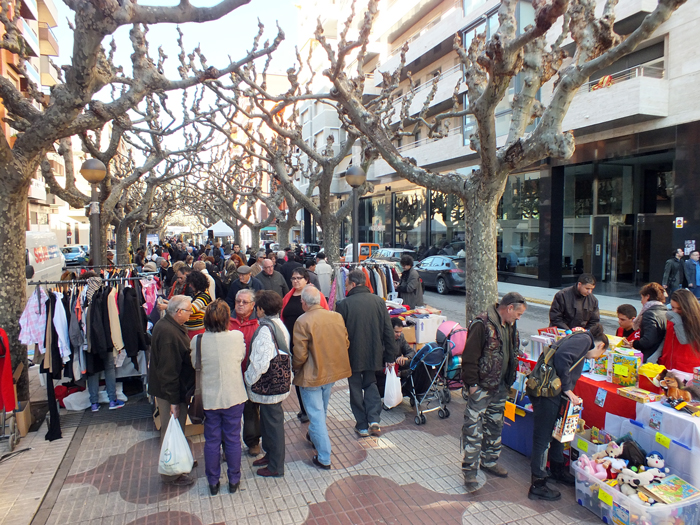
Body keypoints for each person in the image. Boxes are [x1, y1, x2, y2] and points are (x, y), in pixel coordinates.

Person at [528, 327, 609, 501]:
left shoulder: (581, 338)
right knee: (543, 437)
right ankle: (538, 484)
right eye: (600, 355)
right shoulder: (585, 340)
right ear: (601, 345)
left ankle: (557, 470)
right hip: (548, 392)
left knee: (559, 432)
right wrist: (568, 389)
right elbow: (562, 358)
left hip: (553, 391)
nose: (596, 358)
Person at [460, 292, 527, 491]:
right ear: (509, 309)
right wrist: (472, 385)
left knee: (495, 425)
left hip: (501, 386)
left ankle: (489, 461)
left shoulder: (510, 325)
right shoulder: (481, 324)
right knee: (473, 429)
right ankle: (469, 472)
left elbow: (510, 350)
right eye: (519, 314)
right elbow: (469, 357)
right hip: (481, 387)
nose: (519, 318)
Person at [192, 300, 247, 496]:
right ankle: (234, 479)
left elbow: (194, 364)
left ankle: (213, 482)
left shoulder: (197, 341)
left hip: (209, 398)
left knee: (212, 440)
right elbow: (241, 357)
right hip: (234, 395)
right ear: (226, 319)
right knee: (233, 439)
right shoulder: (237, 336)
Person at [293, 286, 351, 469]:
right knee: (321, 411)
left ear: (304, 302)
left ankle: (324, 456)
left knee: (316, 415)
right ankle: (314, 434)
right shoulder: (336, 317)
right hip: (331, 371)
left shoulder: (302, 321)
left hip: (311, 375)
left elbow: (300, 355)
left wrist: (295, 369)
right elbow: (345, 342)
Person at [336, 269, 395, 438]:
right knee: (371, 384)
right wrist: (389, 356)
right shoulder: (378, 301)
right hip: (374, 352)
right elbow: (388, 331)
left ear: (353, 284)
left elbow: (340, 334)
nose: (345, 286)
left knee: (355, 387)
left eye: (346, 283)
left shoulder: (344, 304)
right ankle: (374, 420)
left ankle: (362, 425)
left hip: (352, 354)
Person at [148, 295, 196, 486]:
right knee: (172, 429)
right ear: (178, 312)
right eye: (189, 311)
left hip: (173, 390)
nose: (191, 314)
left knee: (177, 429)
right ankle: (172, 473)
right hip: (170, 393)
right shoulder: (168, 333)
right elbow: (168, 371)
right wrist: (174, 402)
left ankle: (181, 460)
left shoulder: (169, 325)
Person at [244, 290, 291, 477]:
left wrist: (248, 379)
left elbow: (260, 363)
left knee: (273, 425)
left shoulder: (265, 329)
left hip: (269, 386)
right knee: (268, 422)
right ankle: (270, 455)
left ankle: (276, 466)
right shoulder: (278, 323)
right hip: (277, 382)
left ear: (261, 309)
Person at [281, 268, 330, 423]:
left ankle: (314, 408)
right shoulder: (288, 297)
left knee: (313, 375)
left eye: (299, 278)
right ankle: (304, 409)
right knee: (298, 376)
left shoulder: (315, 295)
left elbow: (325, 315)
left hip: (312, 342)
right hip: (292, 343)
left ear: (306, 279)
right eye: (293, 278)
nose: (296, 281)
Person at [228, 289, 262, 456]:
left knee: (251, 411)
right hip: (230, 375)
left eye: (244, 302)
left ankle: (253, 441)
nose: (240, 304)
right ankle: (229, 447)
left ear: (253, 305)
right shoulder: (227, 321)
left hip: (249, 374)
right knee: (229, 414)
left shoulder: (258, 323)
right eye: (238, 301)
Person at [621, 283, 667, 362]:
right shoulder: (664, 311)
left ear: (647, 297)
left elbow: (648, 340)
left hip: (650, 356)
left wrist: (634, 343)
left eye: (642, 298)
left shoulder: (649, 314)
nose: (641, 302)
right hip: (660, 355)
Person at [659, 289, 700, 373]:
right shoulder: (672, 319)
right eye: (673, 307)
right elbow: (665, 340)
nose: (675, 311)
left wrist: (677, 321)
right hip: (669, 365)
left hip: (687, 369)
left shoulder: (696, 320)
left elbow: (684, 340)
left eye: (679, 308)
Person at [376, 318, 415, 398]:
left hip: (396, 369)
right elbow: (375, 364)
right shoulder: (380, 340)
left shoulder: (401, 338)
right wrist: (385, 369)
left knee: (414, 366)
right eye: (396, 332)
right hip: (383, 372)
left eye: (400, 332)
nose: (399, 334)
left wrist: (406, 358)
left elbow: (411, 352)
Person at [183, 270, 212, 339]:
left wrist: (168, 306)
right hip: (193, 330)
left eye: (191, 283)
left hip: (197, 331)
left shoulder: (204, 296)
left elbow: (191, 309)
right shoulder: (198, 295)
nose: (189, 285)